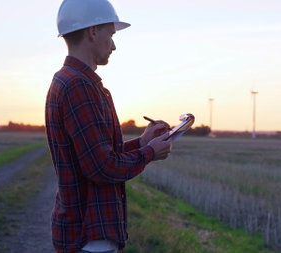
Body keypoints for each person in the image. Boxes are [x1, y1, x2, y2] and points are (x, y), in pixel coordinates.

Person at [45, 0, 172, 252]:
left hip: (88, 236)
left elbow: (98, 154)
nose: (114, 45)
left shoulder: (75, 82)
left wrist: (143, 142)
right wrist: (149, 153)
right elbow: (101, 167)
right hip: (89, 238)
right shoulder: (78, 86)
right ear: (93, 32)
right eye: (111, 34)